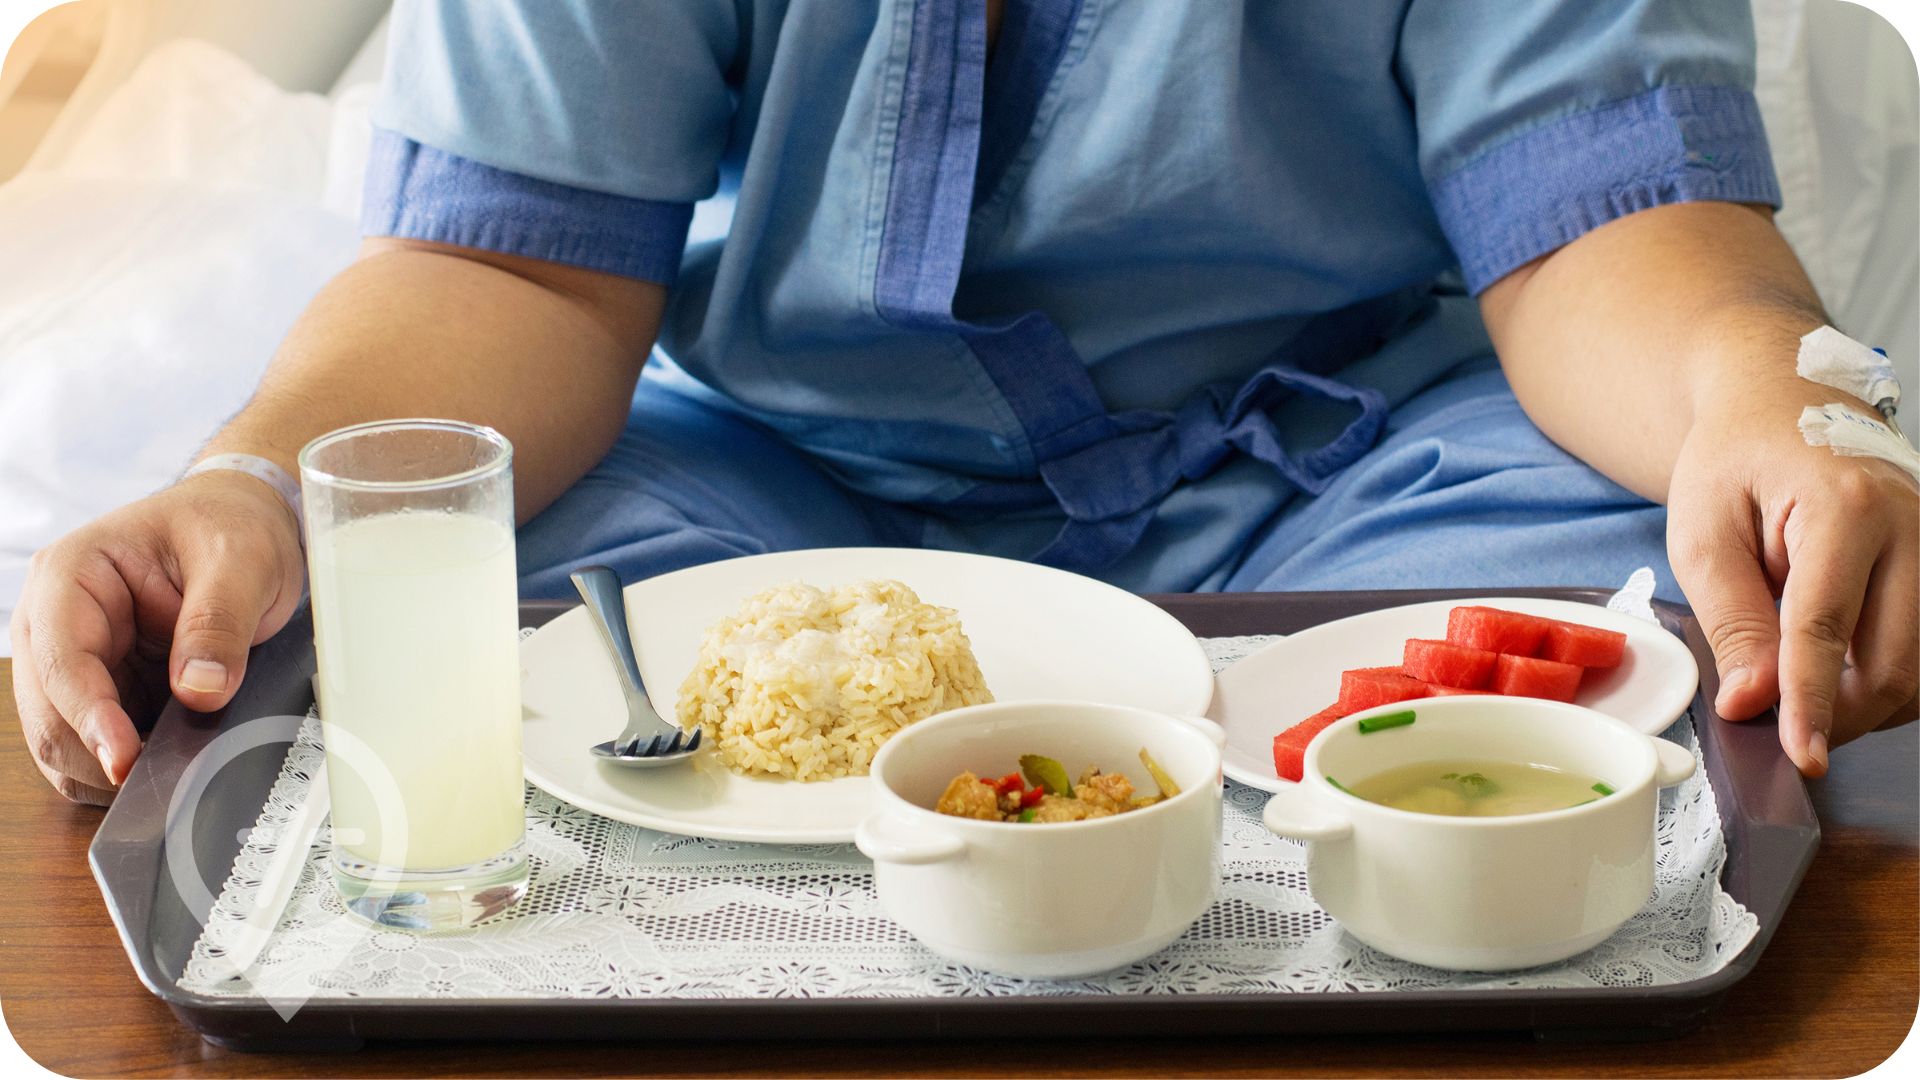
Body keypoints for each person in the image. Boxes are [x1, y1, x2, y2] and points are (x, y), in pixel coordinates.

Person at [11, 0, 1918, 806]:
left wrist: (1773, 398)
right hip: (763, 484)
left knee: (1654, 632)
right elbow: (517, 271)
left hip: (1339, 465)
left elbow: (1609, 234)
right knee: (418, 638)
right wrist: (261, 486)